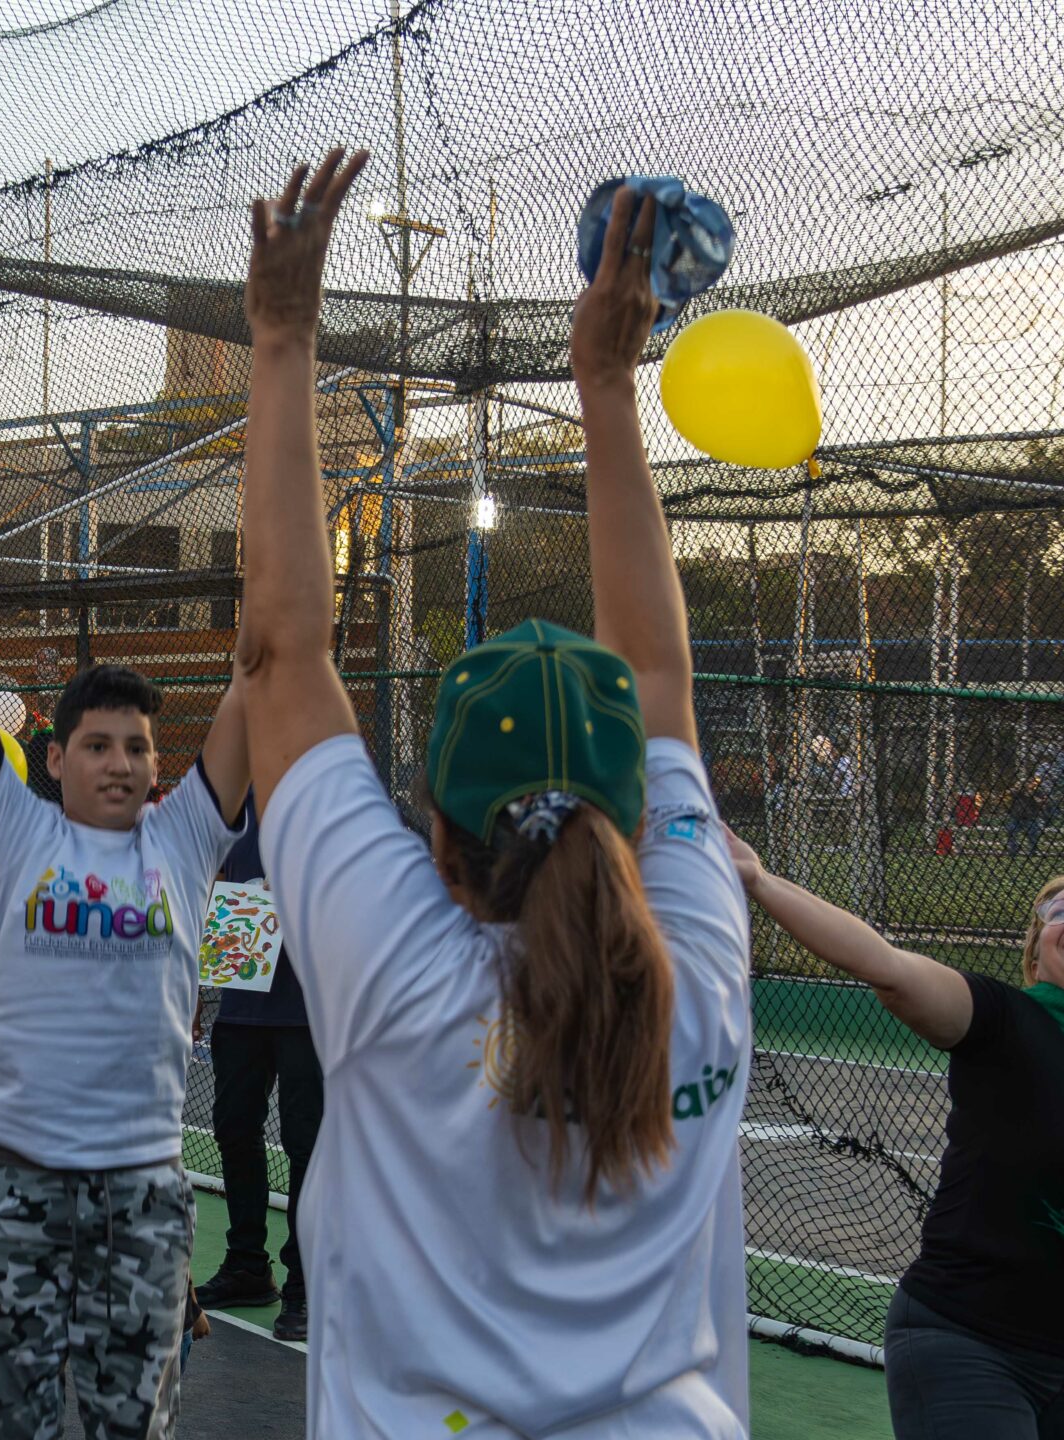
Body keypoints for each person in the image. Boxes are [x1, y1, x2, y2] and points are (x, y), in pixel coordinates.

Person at [240, 162, 755, 1437]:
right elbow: (657, 673)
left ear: (438, 842)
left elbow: (282, 654)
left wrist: (283, 338)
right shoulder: (697, 974)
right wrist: (606, 385)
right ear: (636, 827)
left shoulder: (392, 969)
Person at [0, 380, 250, 1437]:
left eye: (137, 746)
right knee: (21, 1426)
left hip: (143, 1195)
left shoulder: (186, 838)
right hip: (19, 1191)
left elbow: (260, 670)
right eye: (97, 744)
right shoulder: (14, 831)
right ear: (54, 758)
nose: (121, 762)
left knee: (134, 1428)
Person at [732, 842, 1064, 1437]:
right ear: (1036, 963)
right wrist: (760, 880)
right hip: (965, 1341)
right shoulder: (1005, 1023)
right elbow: (886, 967)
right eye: (1057, 913)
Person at [192, 801, 321, 1344]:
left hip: (309, 1007)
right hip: (243, 995)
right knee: (234, 1127)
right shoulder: (236, 804)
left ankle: (305, 1284)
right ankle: (248, 1264)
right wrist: (198, 981)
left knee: (306, 1144)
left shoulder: (326, 795)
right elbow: (217, 882)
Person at [1005, 774, 1048, 858]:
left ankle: (1032, 851)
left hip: (1031, 818)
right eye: (1026, 783)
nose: (1028, 784)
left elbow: (1042, 802)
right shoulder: (1018, 792)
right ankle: (1014, 849)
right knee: (1011, 830)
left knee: (1033, 833)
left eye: (1029, 782)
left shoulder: (1037, 791)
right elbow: (1008, 792)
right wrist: (1017, 788)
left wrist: (1032, 796)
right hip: (1017, 818)